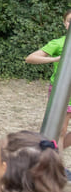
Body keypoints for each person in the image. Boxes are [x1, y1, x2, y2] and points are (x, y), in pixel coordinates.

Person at [25, 9, 71, 145]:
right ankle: (55, 161)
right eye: (70, 21)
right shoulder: (58, 43)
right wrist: (56, 59)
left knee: (59, 135)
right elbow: (31, 58)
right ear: (64, 23)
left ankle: (52, 153)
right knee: (59, 131)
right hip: (62, 92)